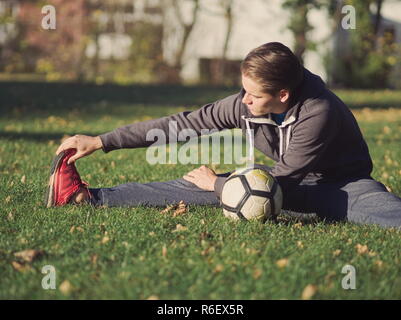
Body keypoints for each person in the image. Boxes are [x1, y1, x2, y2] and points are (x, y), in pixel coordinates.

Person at [45, 42, 401, 228]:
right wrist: (101, 140)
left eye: (253, 95)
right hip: (283, 179)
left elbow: (281, 183)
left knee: (381, 214)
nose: (244, 101)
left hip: (340, 185)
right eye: (242, 90)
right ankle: (86, 197)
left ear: (283, 96)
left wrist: (218, 185)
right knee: (202, 184)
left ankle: (375, 197)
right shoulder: (247, 103)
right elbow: (181, 124)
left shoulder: (318, 113)